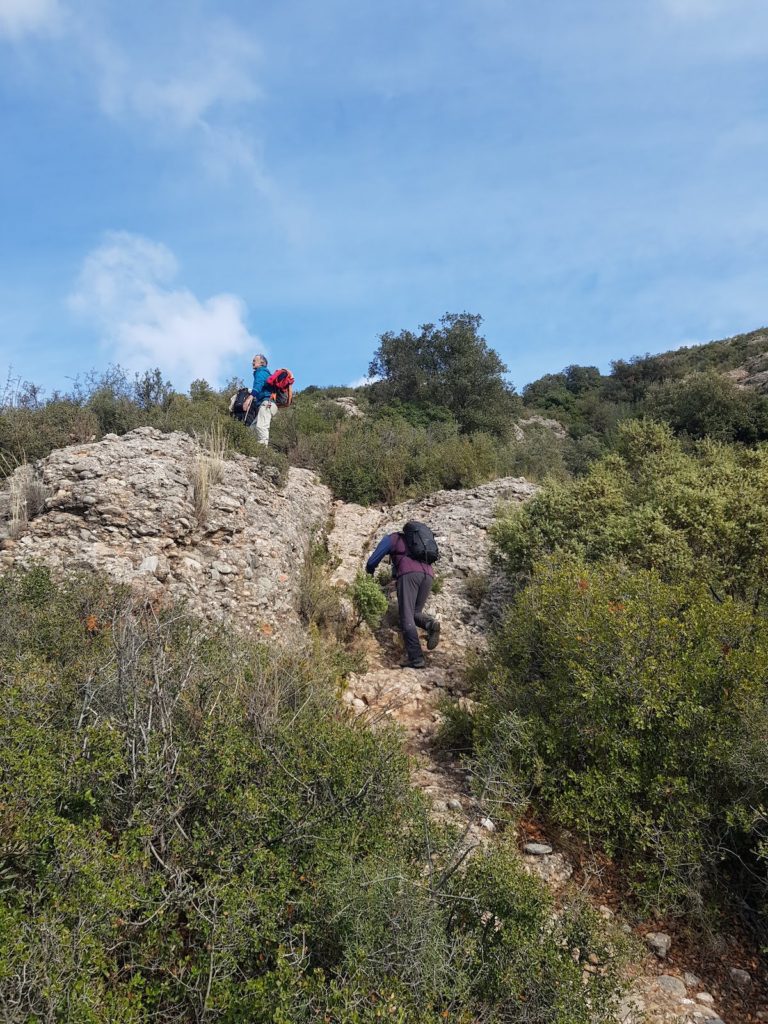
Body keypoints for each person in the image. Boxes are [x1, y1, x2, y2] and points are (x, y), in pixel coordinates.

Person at [366, 526, 441, 669]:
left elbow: (372, 561)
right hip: (429, 575)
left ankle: (416, 658)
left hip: (409, 574)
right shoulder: (418, 544)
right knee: (414, 613)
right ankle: (430, 624)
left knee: (406, 617)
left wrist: (369, 574)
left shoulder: (392, 538)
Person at [248, 354, 278, 446]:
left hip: (267, 403)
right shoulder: (265, 373)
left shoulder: (261, 371)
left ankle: (262, 452)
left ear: (262, 363)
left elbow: (258, 385)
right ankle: (249, 448)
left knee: (261, 427)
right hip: (267, 404)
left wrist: (250, 397)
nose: (252, 362)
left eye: (254, 360)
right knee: (252, 429)